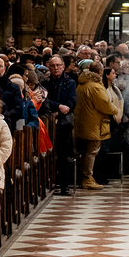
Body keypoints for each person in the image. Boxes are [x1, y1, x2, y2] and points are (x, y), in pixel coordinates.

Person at [75, 60, 118, 190]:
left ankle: (84, 177)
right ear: (100, 71)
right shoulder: (95, 86)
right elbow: (104, 104)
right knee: (92, 151)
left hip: (83, 122)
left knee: (85, 151)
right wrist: (115, 110)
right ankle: (87, 178)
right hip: (94, 123)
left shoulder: (82, 84)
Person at [45, 55, 77, 196]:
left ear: (63, 67)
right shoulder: (45, 82)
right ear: (49, 67)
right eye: (53, 66)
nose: (56, 68)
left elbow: (72, 101)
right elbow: (45, 100)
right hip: (48, 119)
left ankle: (65, 186)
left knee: (63, 154)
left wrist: (62, 109)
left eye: (58, 65)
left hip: (64, 122)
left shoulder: (70, 82)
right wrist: (58, 106)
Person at [0, 56, 23, 128]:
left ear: (4, 68)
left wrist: (3, 118)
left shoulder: (13, 87)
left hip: (7, 125)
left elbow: (18, 109)